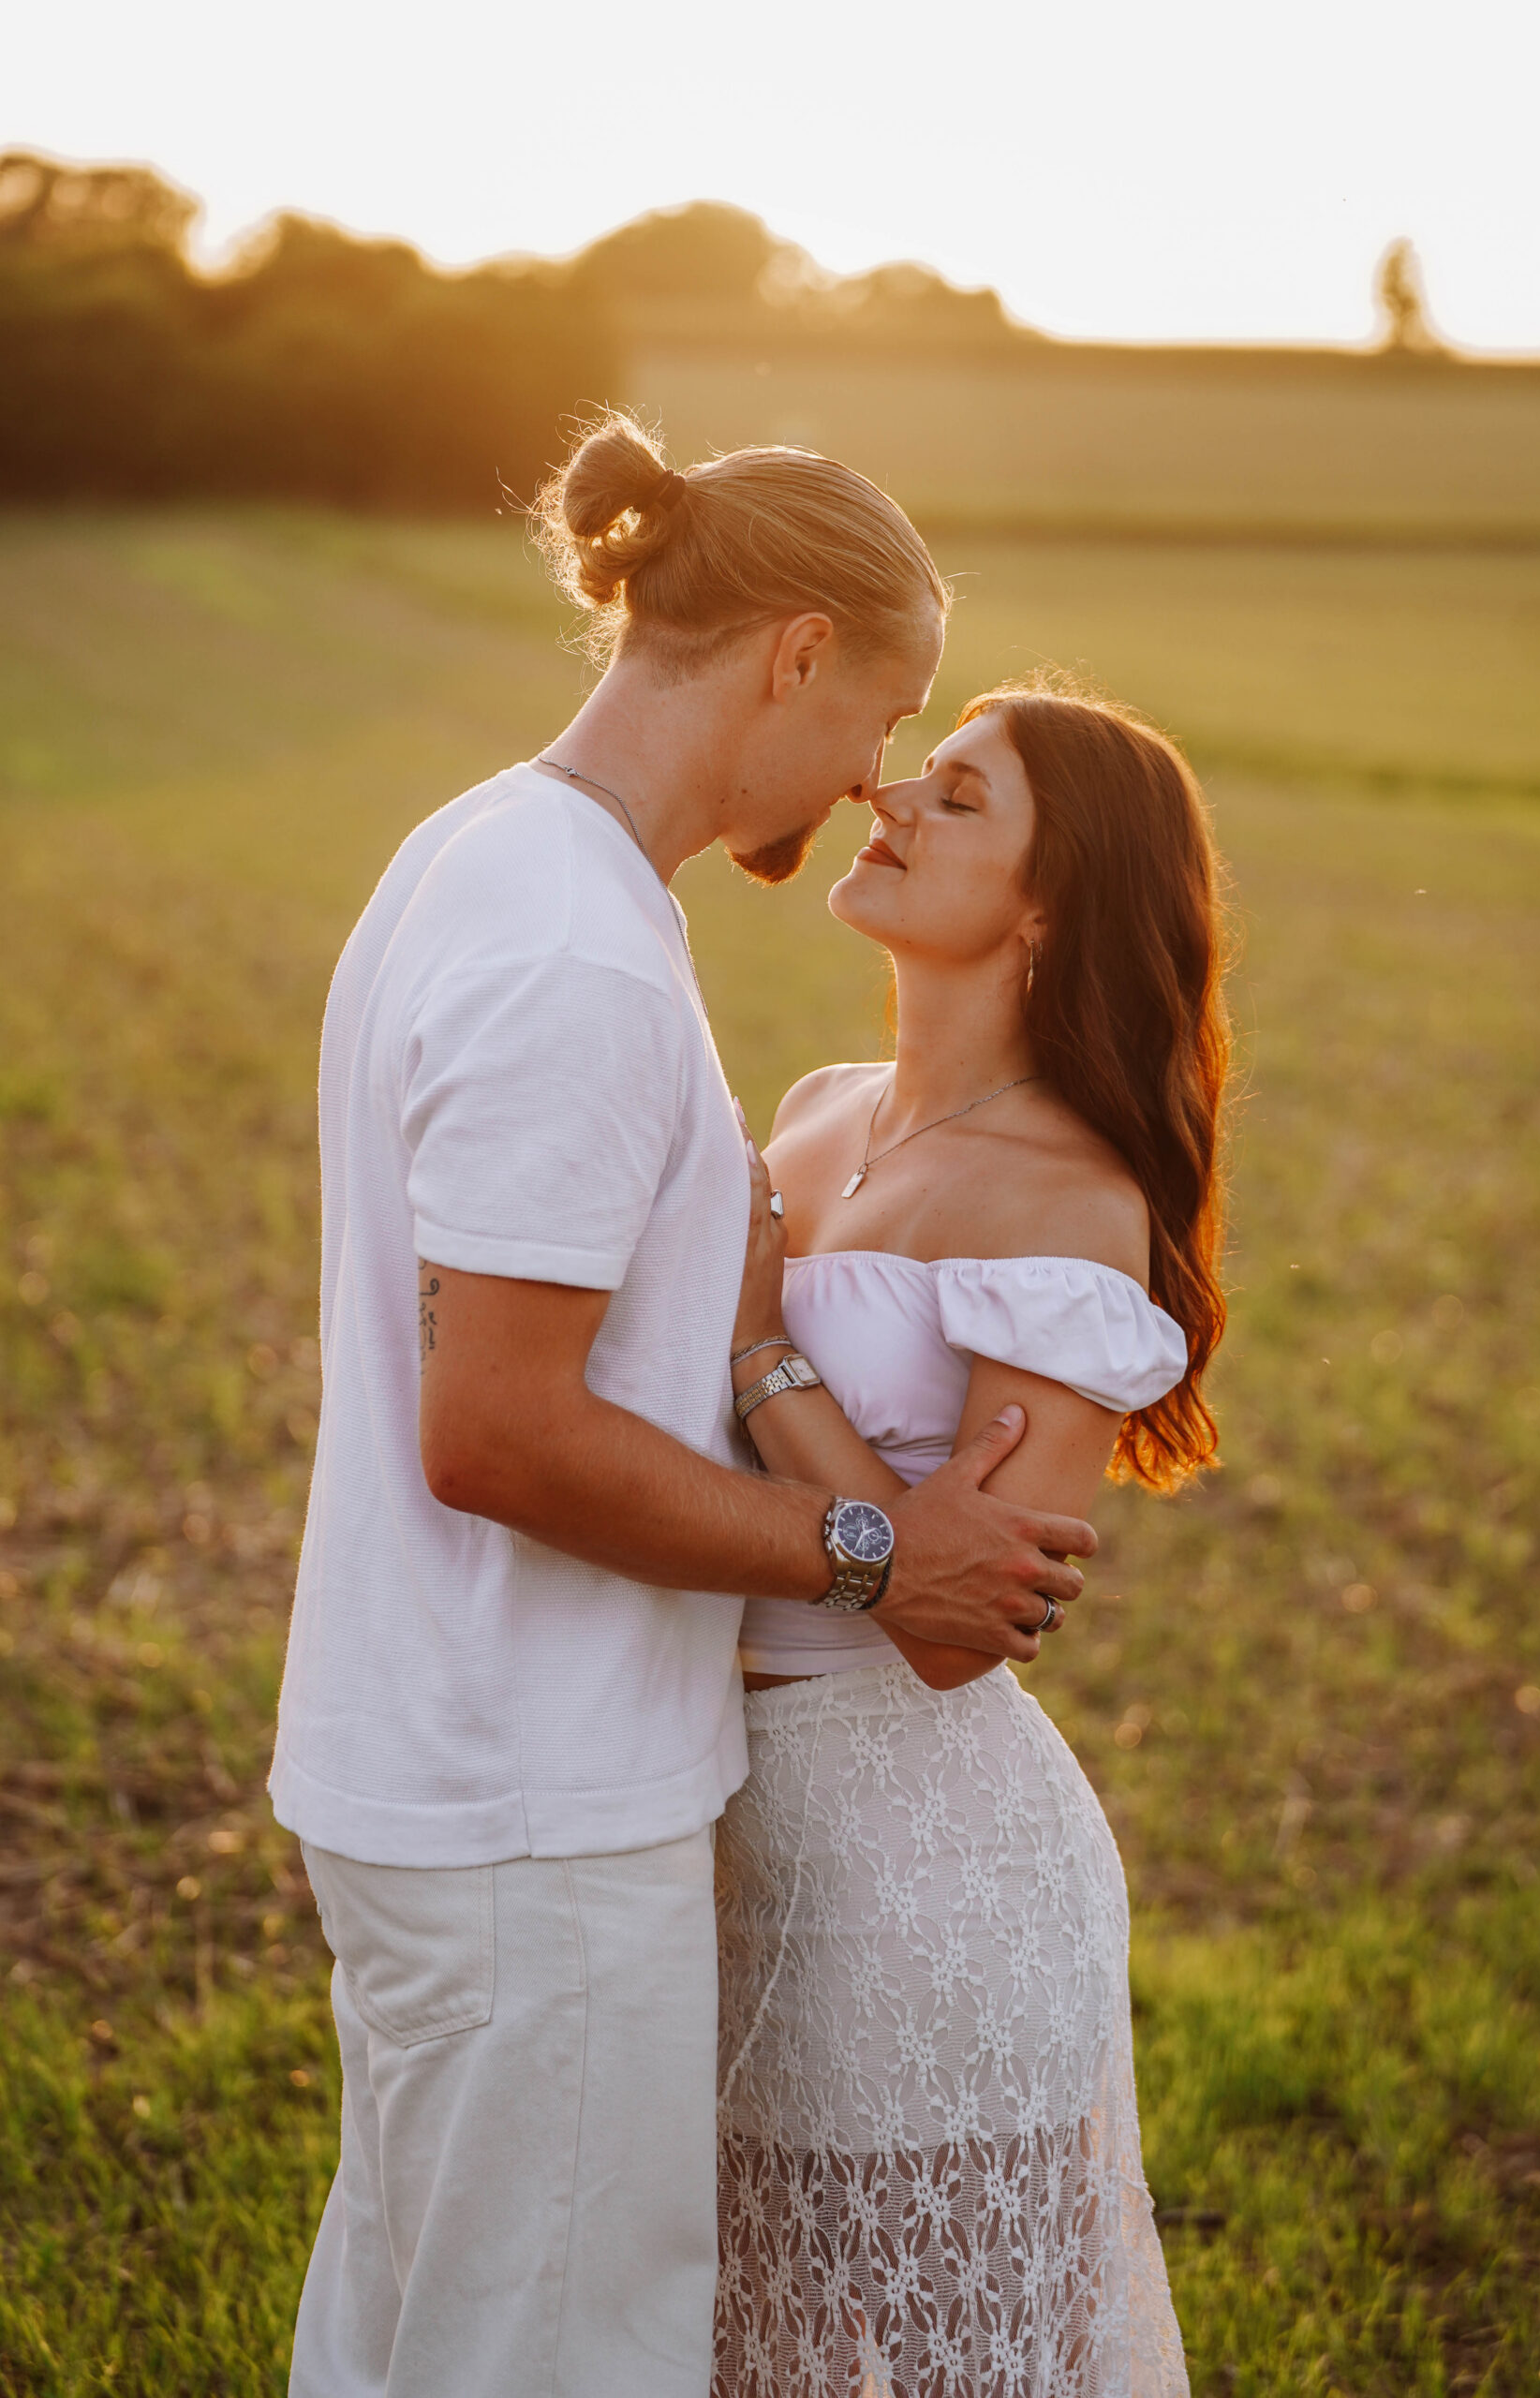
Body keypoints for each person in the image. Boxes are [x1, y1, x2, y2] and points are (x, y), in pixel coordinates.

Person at [268, 415, 1102, 2398]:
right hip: (527, 1796)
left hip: (457, 1765)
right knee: (545, 2356)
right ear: (792, 652)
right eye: (879, 715)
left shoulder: (490, 850)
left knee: (410, 2332)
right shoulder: (574, 948)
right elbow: (501, 1432)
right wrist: (871, 1541)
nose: (871, 781)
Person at [715, 684, 1230, 2397]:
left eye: (960, 798)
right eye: (913, 776)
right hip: (711, 1822)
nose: (893, 799)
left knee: (942, 2364)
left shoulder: (1067, 1202)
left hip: (923, 1865)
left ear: (1048, 906)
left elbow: (951, 1626)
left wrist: (758, 1349)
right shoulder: (812, 1106)